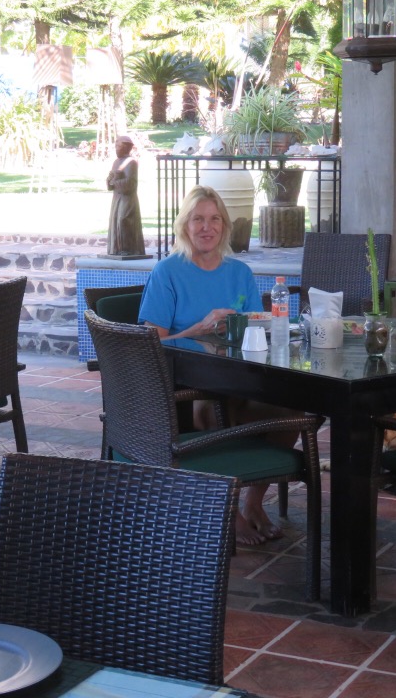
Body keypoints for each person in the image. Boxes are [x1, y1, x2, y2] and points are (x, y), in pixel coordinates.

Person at [138, 186, 298, 545]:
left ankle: (253, 502)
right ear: (185, 225)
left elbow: (259, 327)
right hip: (189, 389)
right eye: (198, 219)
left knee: (293, 409)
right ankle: (228, 511)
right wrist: (198, 331)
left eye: (214, 219)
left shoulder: (240, 272)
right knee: (213, 407)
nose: (206, 227)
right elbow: (150, 344)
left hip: (241, 379)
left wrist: (246, 326)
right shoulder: (168, 272)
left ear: (225, 226)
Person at [105, 135, 145, 257]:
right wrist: (109, 180)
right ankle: (117, 249)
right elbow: (112, 181)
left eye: (118, 146)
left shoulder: (131, 162)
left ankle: (128, 249)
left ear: (126, 148)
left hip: (127, 199)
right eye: (116, 146)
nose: (116, 149)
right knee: (116, 221)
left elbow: (131, 183)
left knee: (123, 220)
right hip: (117, 197)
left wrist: (115, 181)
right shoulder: (116, 162)